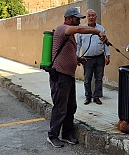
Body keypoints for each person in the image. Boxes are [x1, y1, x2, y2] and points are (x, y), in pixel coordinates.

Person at [47, 7, 108, 148]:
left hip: (68, 76)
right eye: (77, 18)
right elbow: (80, 30)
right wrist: (98, 31)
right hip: (60, 76)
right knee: (60, 107)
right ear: (68, 18)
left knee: (71, 106)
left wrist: (78, 59)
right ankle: (52, 135)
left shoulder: (69, 35)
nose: (79, 21)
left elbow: (66, 52)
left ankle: (67, 134)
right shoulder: (63, 29)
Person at [76, 9, 111, 105]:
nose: (91, 17)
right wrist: (76, 57)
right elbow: (78, 44)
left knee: (99, 78)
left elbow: (105, 43)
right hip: (87, 58)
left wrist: (107, 55)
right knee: (87, 79)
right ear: (87, 17)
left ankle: (97, 97)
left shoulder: (101, 28)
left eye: (93, 15)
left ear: (96, 17)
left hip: (99, 57)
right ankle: (88, 97)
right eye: (89, 16)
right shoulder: (82, 30)